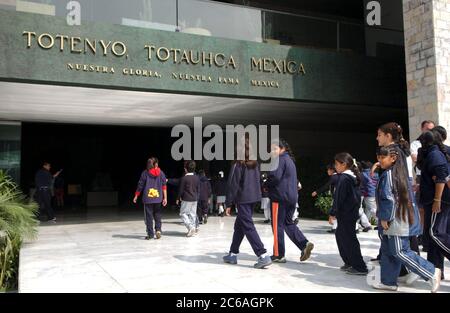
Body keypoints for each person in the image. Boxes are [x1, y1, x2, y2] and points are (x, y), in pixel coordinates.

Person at [373, 146, 441, 292]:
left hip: (396, 221)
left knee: (399, 251)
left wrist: (385, 218)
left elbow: (389, 199)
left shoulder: (390, 174)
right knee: (388, 251)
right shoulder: (393, 173)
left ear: (393, 158)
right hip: (396, 218)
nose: (379, 160)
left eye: (382, 157)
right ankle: (388, 282)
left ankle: (431, 271)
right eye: (378, 157)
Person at [222, 135, 272, 269]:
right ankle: (232, 254)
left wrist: (228, 203)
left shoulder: (238, 163)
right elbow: (259, 181)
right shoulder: (255, 163)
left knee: (248, 226)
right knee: (239, 226)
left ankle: (262, 255)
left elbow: (233, 184)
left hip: (243, 199)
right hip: (253, 197)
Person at [268, 139, 314, 263]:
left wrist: (266, 183)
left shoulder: (279, 160)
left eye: (275, 149)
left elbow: (275, 177)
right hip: (291, 198)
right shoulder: (290, 161)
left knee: (277, 226)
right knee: (288, 223)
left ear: (282, 149)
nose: (272, 151)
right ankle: (304, 244)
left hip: (279, 197)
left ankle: (278, 254)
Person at [417, 129, 450, 280]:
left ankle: (434, 269)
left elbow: (442, 178)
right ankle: (434, 270)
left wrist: (437, 200)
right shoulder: (434, 153)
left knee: (435, 234)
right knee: (432, 237)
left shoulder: (435, 155)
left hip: (439, 201)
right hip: (435, 200)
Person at [330, 153, 368, 275]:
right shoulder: (350, 177)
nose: (335, 166)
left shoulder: (345, 178)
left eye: (336, 164)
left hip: (346, 214)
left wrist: (333, 213)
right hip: (350, 213)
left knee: (349, 240)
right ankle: (350, 262)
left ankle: (359, 266)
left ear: (344, 164)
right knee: (342, 237)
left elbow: (338, 198)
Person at [410, 120, 435, 251]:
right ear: (422, 128)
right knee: (421, 208)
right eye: (427, 128)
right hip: (422, 176)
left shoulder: (436, 144)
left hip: (434, 175)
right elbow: (415, 158)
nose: (429, 131)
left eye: (432, 129)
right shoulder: (416, 143)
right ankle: (422, 233)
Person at [133, 157, 167, 240]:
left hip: (148, 199)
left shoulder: (145, 173)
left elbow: (140, 185)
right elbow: (164, 186)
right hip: (158, 199)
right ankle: (158, 230)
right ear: (156, 164)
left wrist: (136, 195)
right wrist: (165, 198)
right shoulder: (161, 173)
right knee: (158, 215)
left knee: (149, 217)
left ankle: (151, 234)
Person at [312, 164, 339, 233]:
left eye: (328, 170)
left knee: (334, 212)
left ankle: (335, 228)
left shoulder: (334, 177)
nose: (327, 171)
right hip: (338, 196)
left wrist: (316, 192)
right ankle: (335, 227)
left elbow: (326, 186)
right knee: (336, 212)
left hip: (337, 197)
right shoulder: (338, 176)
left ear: (332, 170)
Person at [177, 161, 200, 237]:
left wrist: (178, 198)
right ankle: (193, 230)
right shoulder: (197, 178)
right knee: (192, 214)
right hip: (195, 198)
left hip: (186, 198)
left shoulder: (184, 178)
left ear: (185, 169)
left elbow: (181, 189)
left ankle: (191, 227)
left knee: (183, 213)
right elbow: (198, 189)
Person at [360, 161, 378, 226]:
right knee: (368, 209)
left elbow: (363, 184)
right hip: (374, 192)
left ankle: (380, 222)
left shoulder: (363, 174)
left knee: (372, 209)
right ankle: (366, 224)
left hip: (368, 193)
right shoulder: (376, 174)